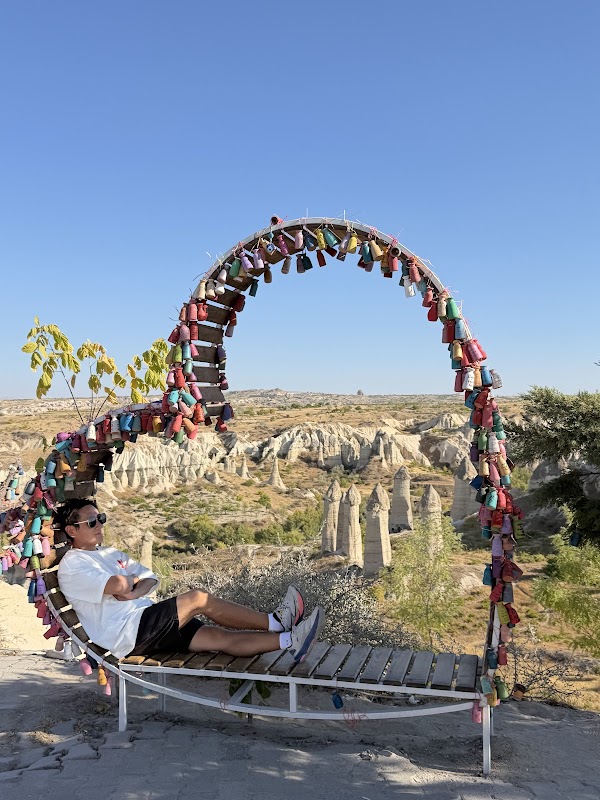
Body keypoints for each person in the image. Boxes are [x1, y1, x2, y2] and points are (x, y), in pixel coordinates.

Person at [55, 498, 324, 663]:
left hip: (145, 618)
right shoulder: (73, 564)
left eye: (100, 518)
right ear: (72, 530)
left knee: (220, 638)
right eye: (92, 522)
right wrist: (129, 581)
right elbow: (117, 586)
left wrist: (134, 587)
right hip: (127, 632)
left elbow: (150, 577)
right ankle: (275, 622)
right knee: (197, 599)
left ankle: (290, 640)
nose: (100, 524)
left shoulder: (109, 553)